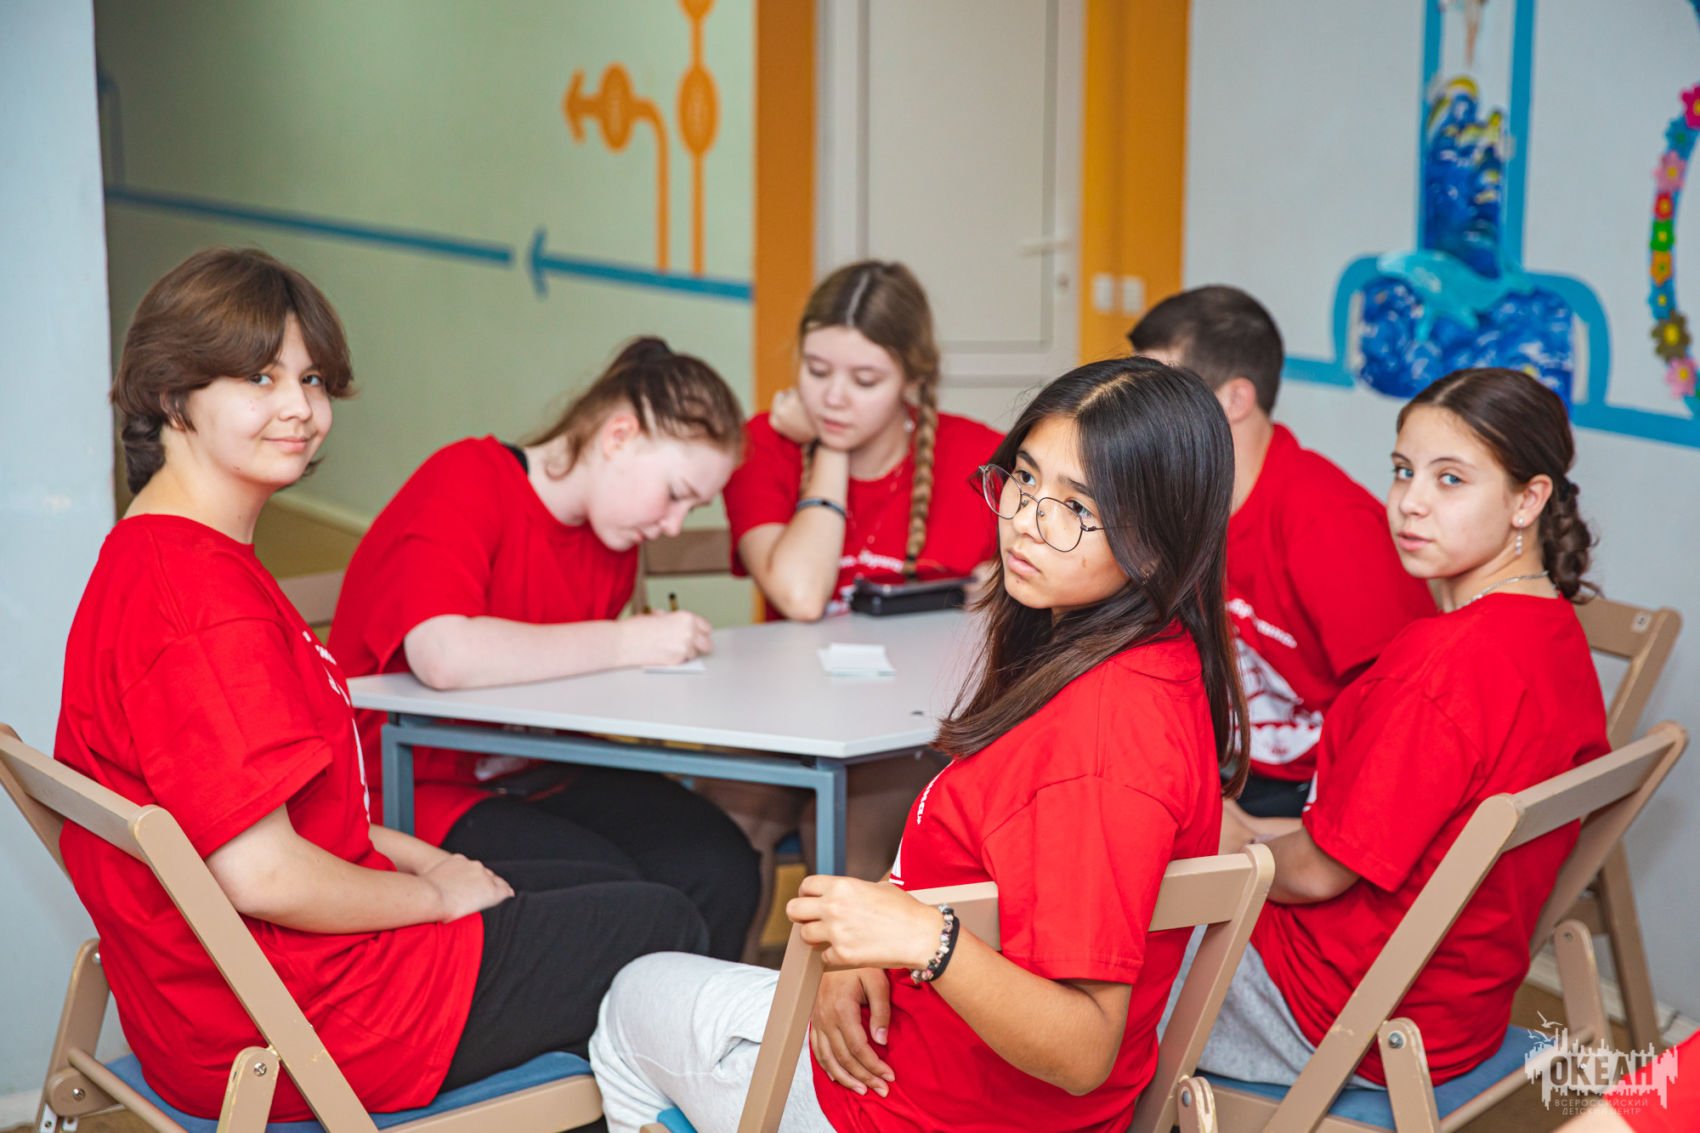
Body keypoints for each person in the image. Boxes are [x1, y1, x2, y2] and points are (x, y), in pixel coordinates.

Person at [56, 247, 710, 1121]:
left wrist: (431, 862)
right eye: (260, 377)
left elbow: (276, 820)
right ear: (174, 396)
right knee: (664, 923)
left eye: (311, 379)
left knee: (581, 883)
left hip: (229, 1005)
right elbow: (264, 872)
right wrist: (434, 896)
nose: (300, 407)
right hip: (311, 1021)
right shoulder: (200, 602)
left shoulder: (153, 556)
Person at [590, 356, 1251, 1133]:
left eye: (1075, 506)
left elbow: (1083, 1049)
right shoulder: (1153, 660)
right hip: (939, 1063)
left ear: (1158, 542)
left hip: (918, 1107)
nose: (1026, 521)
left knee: (631, 1000)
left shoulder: (1098, 747)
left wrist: (924, 939)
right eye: (1024, 478)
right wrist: (865, 950)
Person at [1206, 367, 1609, 1088]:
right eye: (1402, 470)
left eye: (1450, 479)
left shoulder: (1439, 667)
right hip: (1457, 1007)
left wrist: (1237, 848)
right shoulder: (1554, 633)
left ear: (1528, 499)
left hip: (1336, 1014)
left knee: (1087, 947)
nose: (1409, 502)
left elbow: (1321, 873)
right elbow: (1399, 836)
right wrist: (1256, 831)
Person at [329, 337, 760, 962]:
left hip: (540, 766)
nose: (672, 525)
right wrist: (626, 641)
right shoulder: (467, 477)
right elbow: (443, 654)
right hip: (411, 783)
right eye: (675, 493)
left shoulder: (613, 542)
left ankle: (689, 1022)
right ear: (618, 437)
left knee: (719, 866)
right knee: (619, 897)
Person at [703, 261, 1004, 931]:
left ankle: (839, 997)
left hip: (912, 726)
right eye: (816, 371)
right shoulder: (765, 445)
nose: (833, 398)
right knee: (722, 834)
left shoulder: (979, 456)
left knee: (845, 835)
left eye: (865, 381)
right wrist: (828, 453)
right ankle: (737, 988)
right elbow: (801, 594)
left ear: (913, 382)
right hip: (781, 713)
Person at [1131, 286, 1435, 817]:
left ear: (1235, 400)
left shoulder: (1329, 522)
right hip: (1226, 758)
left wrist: (1263, 829)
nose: (1136, 412)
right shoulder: (1187, 499)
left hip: (1313, 788)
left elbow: (1399, 719)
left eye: (1161, 391)